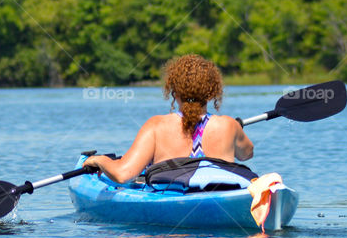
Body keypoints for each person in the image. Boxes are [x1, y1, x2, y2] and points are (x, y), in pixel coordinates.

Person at [83, 54, 253, 183]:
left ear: (174, 92)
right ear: (212, 93)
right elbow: (247, 154)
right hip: (219, 202)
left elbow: (122, 175)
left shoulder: (156, 126)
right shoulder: (229, 125)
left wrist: (99, 160)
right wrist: (236, 132)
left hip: (174, 212)